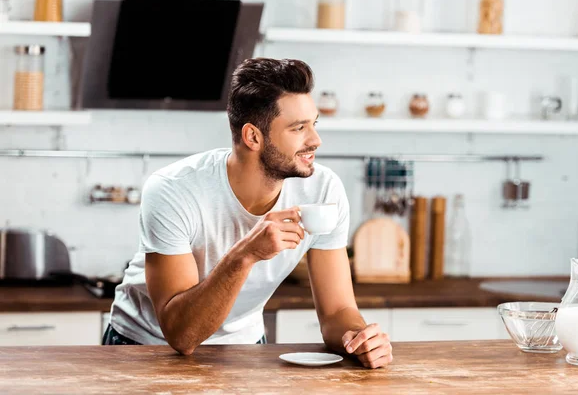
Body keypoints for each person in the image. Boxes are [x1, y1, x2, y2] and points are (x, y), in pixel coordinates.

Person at [103, 57, 393, 369]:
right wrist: (245, 254)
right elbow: (181, 335)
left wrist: (359, 338)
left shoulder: (323, 190)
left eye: (314, 124)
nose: (315, 141)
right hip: (146, 347)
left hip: (244, 348)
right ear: (253, 136)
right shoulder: (173, 190)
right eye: (299, 128)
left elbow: (337, 311)